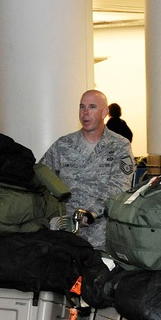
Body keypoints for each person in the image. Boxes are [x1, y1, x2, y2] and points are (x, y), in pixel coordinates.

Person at [41, 89, 136, 251]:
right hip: (68, 235)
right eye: (81, 107)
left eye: (92, 107)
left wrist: (92, 213)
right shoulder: (63, 145)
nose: (85, 113)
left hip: (105, 237)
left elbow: (120, 186)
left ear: (104, 112)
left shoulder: (119, 145)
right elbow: (42, 177)